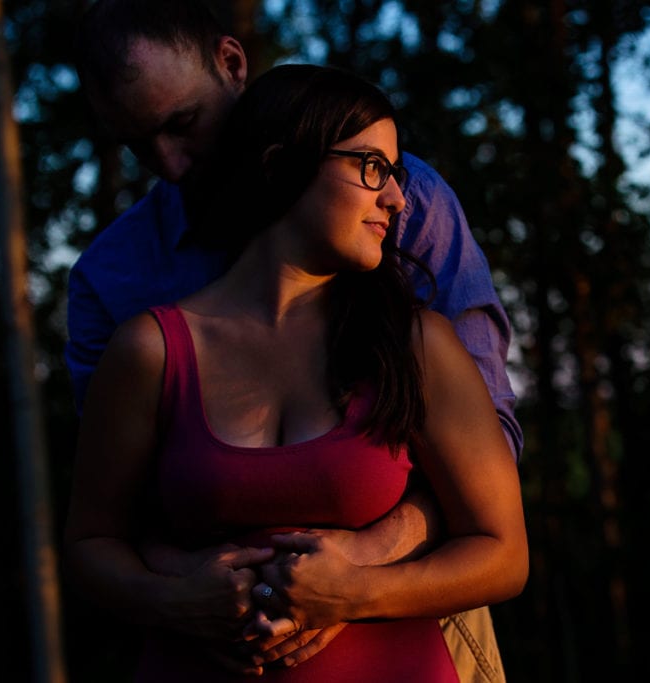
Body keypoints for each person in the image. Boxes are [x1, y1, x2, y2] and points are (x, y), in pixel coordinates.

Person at [66, 1, 522, 679]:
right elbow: (116, 512)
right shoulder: (116, 281)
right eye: (139, 145)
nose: (168, 163)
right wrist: (186, 591)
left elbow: (491, 458)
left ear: (230, 64)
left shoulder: (402, 200)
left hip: (421, 608)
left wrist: (355, 566)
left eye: (182, 123)